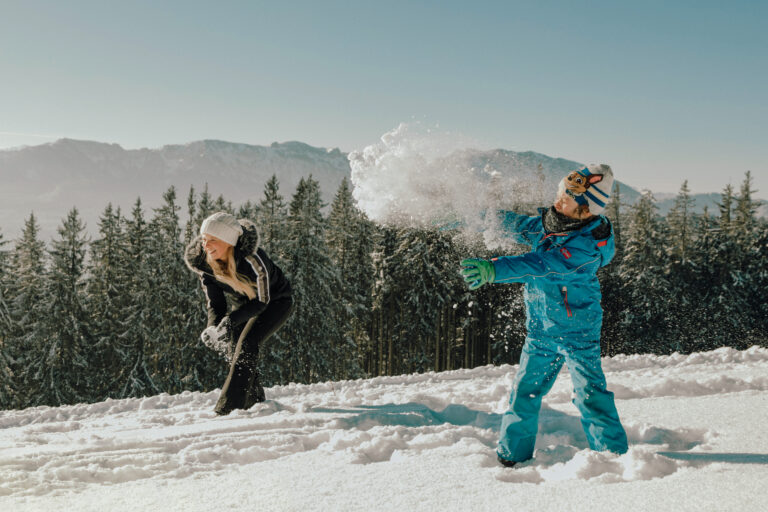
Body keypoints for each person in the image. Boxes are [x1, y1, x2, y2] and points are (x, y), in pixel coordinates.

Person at [460, 164, 628, 467]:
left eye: (567, 198)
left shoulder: (587, 248)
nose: (559, 200)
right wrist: (472, 218)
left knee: (591, 397)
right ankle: (512, 459)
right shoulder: (555, 222)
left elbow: (537, 263)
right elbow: (517, 225)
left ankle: (612, 460)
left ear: (586, 210)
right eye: (561, 192)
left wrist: (493, 269)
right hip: (540, 331)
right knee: (523, 394)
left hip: (578, 333)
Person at [185, 211, 293, 415]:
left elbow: (262, 301)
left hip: (274, 302)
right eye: (204, 239)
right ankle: (254, 402)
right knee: (234, 349)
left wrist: (230, 321)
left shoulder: (253, 260)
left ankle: (227, 409)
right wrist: (213, 326)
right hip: (242, 304)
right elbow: (215, 303)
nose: (205, 245)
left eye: (213, 240)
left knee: (248, 344)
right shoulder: (204, 263)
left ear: (229, 242)